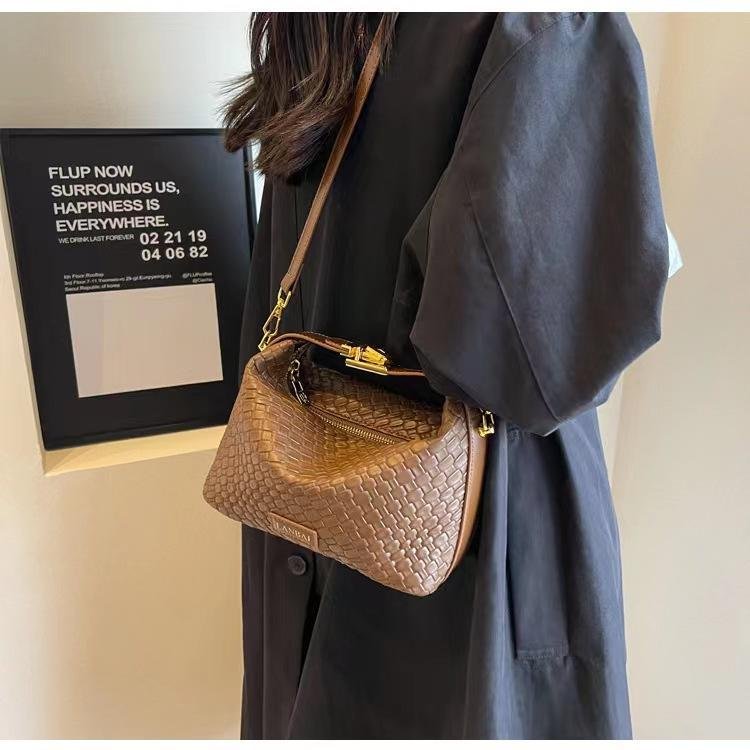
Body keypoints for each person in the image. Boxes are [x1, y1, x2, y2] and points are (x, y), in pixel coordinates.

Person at [223, 12, 669, 739]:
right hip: (467, 534)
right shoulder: (537, 24)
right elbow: (544, 352)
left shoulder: (320, 24)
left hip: (312, 495)